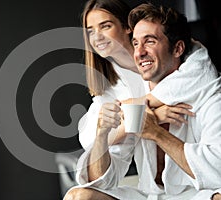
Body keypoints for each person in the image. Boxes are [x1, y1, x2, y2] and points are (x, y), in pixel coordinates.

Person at [64, 2, 221, 200]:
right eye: (136, 43)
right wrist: (103, 135)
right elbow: (101, 180)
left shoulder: (206, 89)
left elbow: (217, 169)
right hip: (149, 195)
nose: (139, 52)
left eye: (150, 41)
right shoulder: (126, 94)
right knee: (79, 196)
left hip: (196, 195)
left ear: (178, 48)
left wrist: (155, 132)